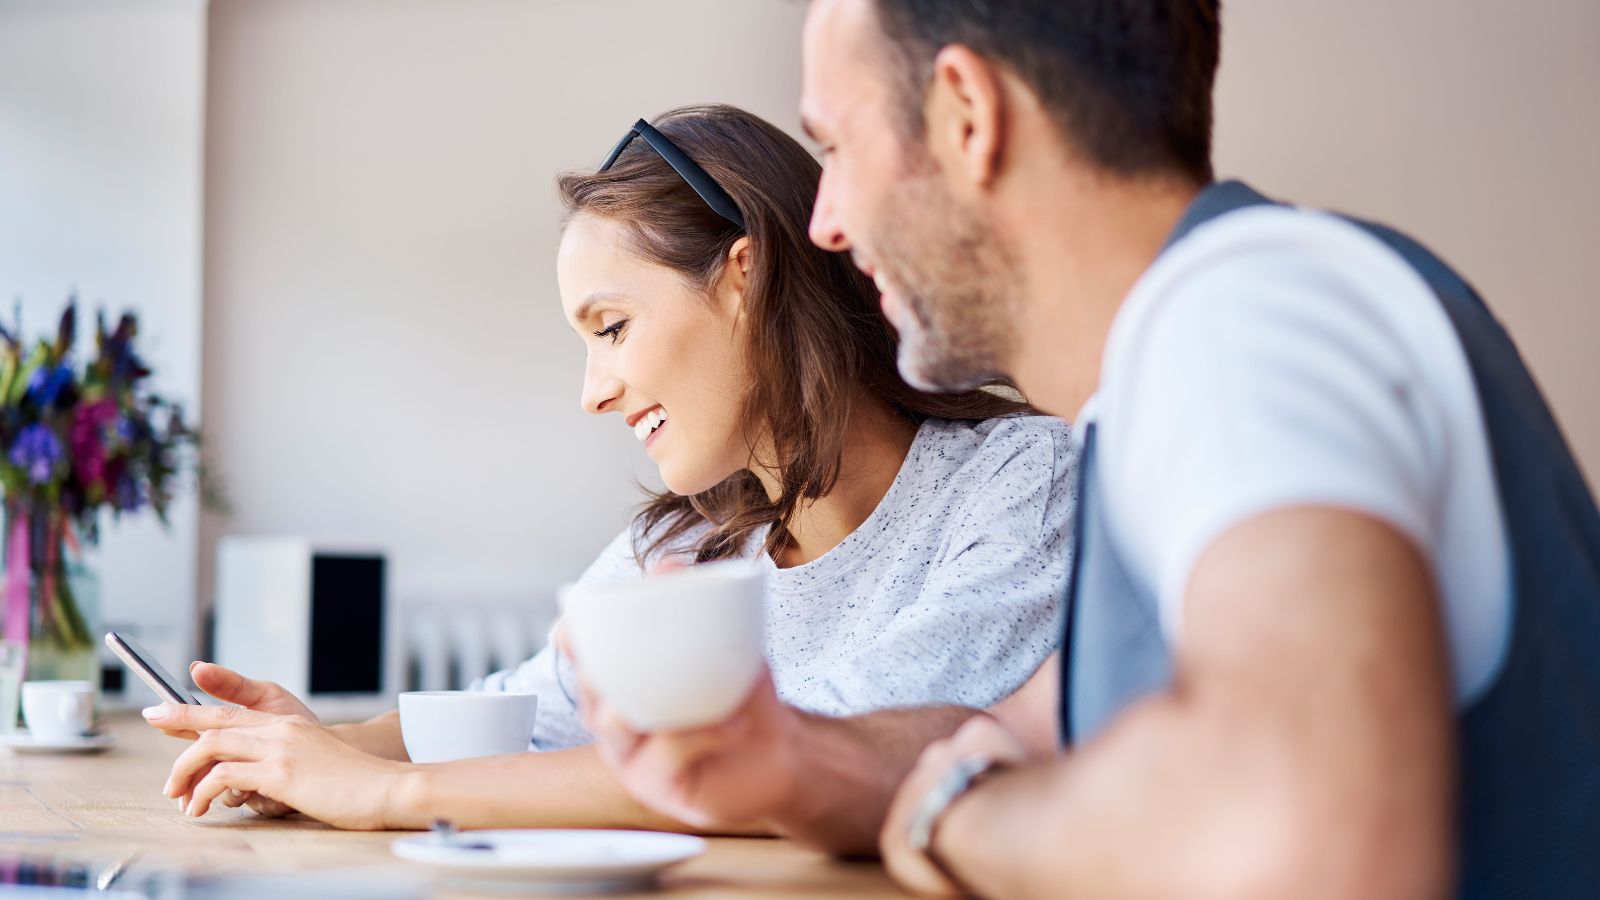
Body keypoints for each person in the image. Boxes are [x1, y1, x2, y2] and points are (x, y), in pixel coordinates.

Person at [574, 2, 1600, 897]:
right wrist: (788, 759)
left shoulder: (1242, 316)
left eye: (835, 150)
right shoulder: (1159, 394)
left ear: (966, 116)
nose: (827, 225)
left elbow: (1300, 845)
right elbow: (1018, 731)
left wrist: (955, 824)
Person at [141, 103, 1079, 832]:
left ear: (744, 276)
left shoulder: (1018, 487)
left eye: (613, 327)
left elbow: (830, 751)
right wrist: (306, 748)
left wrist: (385, 793)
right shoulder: (681, 542)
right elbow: (523, 712)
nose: (594, 392)